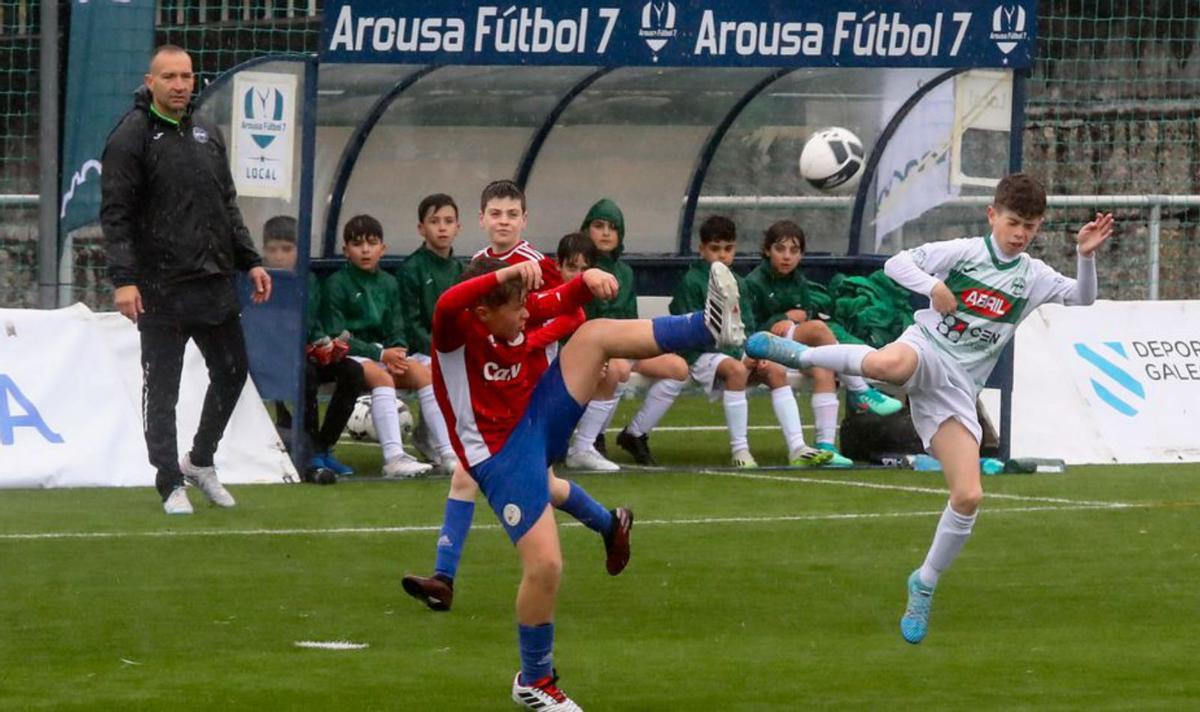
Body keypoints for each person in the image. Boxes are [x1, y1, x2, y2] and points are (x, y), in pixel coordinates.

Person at [746, 173, 1114, 644]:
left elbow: (1084, 297)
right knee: (889, 364)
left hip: (959, 389)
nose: (1020, 233)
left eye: (1031, 226)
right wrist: (933, 288)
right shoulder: (965, 252)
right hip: (927, 348)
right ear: (992, 216)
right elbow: (898, 264)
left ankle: (924, 582)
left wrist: (1085, 257)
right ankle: (800, 355)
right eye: (1013, 222)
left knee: (969, 496)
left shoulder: (1034, 277)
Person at [430, 253, 745, 709]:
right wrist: (507, 273)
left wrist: (586, 282)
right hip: (499, 457)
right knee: (546, 566)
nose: (525, 314)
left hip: (537, 417)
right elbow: (446, 302)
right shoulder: (455, 329)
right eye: (516, 307)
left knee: (594, 334)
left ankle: (706, 327)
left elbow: (558, 302)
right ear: (482, 311)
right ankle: (534, 681)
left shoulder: (511, 313)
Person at [101, 44, 272, 515]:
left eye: (187, 76)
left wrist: (250, 259)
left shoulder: (205, 131)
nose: (180, 85)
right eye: (170, 77)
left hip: (213, 282)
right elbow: (115, 216)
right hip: (159, 288)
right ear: (150, 81)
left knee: (234, 372)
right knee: (163, 389)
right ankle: (169, 482)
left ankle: (199, 460)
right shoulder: (130, 137)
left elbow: (227, 203)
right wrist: (124, 279)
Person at [402, 180, 586, 610]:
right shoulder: (481, 264)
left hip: (532, 384)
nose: (503, 222)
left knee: (481, 474)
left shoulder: (536, 264)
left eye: (512, 214)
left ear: (525, 219)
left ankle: (445, 577)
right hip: (497, 383)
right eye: (496, 214)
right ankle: (609, 523)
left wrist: (528, 341)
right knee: (516, 479)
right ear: (482, 219)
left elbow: (572, 314)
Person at [667, 215, 832, 468]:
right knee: (736, 370)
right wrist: (741, 357)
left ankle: (797, 447)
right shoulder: (691, 282)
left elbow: (749, 328)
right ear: (701, 250)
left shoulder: (738, 283)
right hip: (701, 356)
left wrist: (756, 355)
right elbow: (687, 333)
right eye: (715, 248)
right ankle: (740, 451)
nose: (722, 255)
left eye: (728, 248)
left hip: (735, 353)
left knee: (775, 370)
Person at [744, 219, 903, 467]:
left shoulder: (798, 279)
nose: (787, 257)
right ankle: (860, 390)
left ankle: (826, 447)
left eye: (794, 251)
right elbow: (751, 329)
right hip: (766, 346)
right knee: (819, 330)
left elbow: (806, 309)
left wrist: (797, 317)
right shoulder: (754, 282)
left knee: (824, 366)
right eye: (780, 249)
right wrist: (783, 318)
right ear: (767, 251)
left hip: (793, 346)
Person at [568, 198, 693, 469]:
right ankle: (592, 438)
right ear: (586, 228)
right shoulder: (583, 268)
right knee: (618, 370)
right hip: (596, 347)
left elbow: (631, 319)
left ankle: (635, 434)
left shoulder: (625, 271)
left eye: (613, 228)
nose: (605, 233)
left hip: (625, 345)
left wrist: (637, 347)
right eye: (598, 225)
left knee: (678, 367)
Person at [321, 214, 436, 478]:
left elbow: (397, 327)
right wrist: (381, 353)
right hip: (350, 356)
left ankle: (448, 454)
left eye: (371, 243)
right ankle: (394, 458)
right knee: (380, 376)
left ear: (382, 248)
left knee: (422, 373)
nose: (364, 249)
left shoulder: (389, 283)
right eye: (357, 244)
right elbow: (338, 336)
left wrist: (397, 350)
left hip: (382, 354)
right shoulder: (336, 284)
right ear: (345, 250)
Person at [261, 215, 362, 481]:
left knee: (352, 371)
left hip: (304, 354)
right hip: (272, 357)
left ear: (300, 250)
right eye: (272, 249)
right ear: (263, 251)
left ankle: (322, 447)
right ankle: (306, 452)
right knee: (305, 372)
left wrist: (327, 344)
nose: (279, 256)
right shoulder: (259, 280)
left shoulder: (309, 281)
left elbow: (313, 323)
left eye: (287, 249)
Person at [395, 193, 465, 474]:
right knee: (438, 371)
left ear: (458, 227)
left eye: (449, 221)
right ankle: (447, 450)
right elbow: (411, 323)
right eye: (434, 221)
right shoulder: (411, 269)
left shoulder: (462, 269)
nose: (442, 227)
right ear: (421, 228)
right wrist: (440, 348)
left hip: (453, 348)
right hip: (421, 351)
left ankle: (433, 438)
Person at [555, 232, 628, 472]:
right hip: (542, 363)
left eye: (584, 269)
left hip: (572, 363)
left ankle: (583, 447)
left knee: (615, 368)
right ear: (558, 264)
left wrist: (598, 360)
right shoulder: (546, 291)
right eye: (571, 267)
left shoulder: (593, 295)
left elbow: (599, 336)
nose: (577, 276)